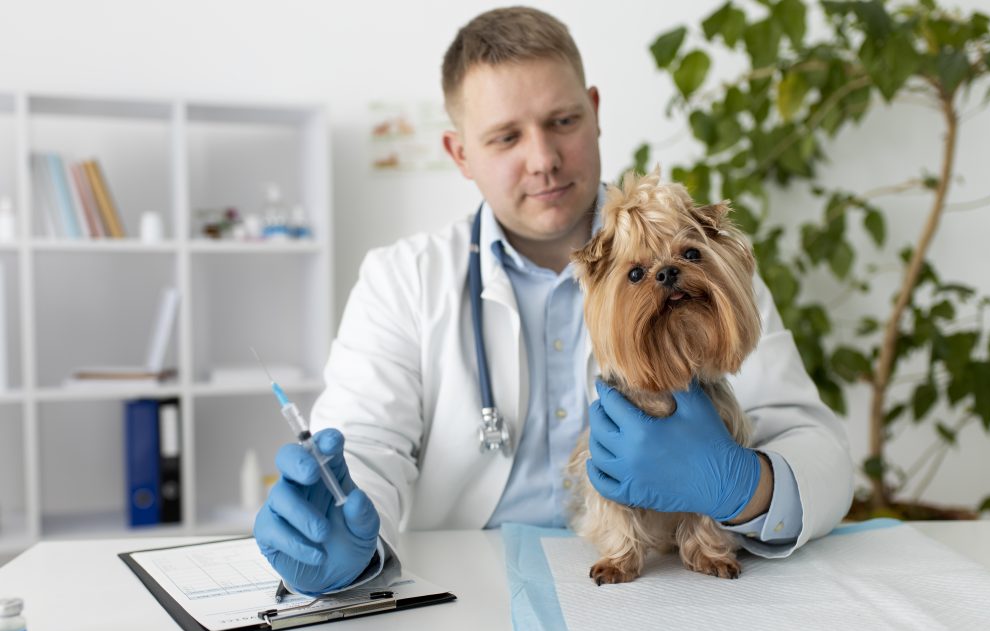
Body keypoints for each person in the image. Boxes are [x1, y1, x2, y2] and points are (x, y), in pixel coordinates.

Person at [253, 6, 853, 596]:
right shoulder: (400, 281)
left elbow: (820, 452)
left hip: (673, 592)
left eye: (562, 121)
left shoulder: (703, 267)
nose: (543, 159)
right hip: (471, 596)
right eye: (506, 136)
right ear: (460, 152)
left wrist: (742, 486)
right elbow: (364, 447)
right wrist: (340, 530)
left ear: (593, 113)